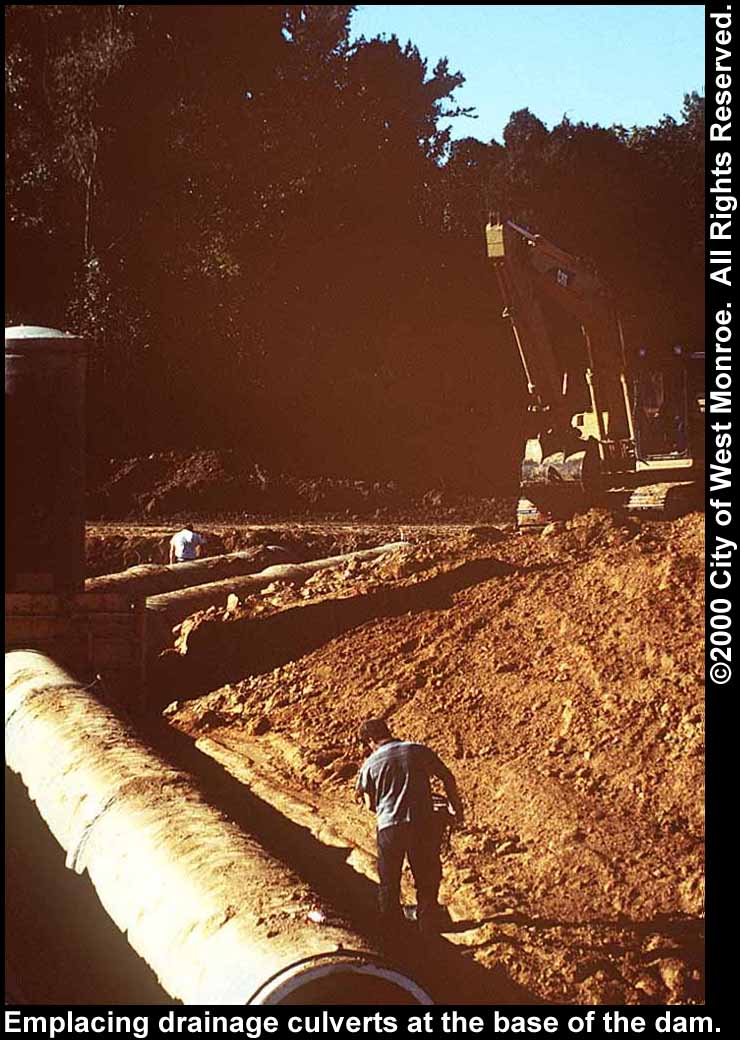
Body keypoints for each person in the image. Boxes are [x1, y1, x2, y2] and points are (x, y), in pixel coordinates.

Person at [355, 718, 464, 934]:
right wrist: (455, 807)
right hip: (422, 821)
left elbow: (369, 804)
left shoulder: (370, 764)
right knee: (426, 873)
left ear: (370, 741)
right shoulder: (416, 749)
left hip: (390, 826)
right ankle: (428, 922)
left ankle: (391, 928)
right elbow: (446, 775)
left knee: (389, 879)